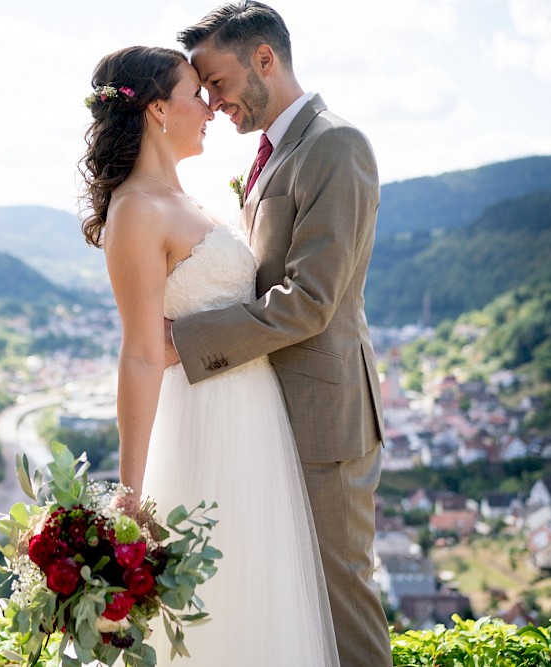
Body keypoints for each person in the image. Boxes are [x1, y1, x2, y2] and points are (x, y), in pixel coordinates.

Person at [80, 46, 339, 665]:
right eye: (197, 94)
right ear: (157, 111)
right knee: (218, 610)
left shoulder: (188, 203)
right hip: (204, 423)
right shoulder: (137, 211)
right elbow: (142, 355)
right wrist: (130, 491)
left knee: (262, 595)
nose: (211, 108)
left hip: (257, 420)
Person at [166, 3, 392, 666]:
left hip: (327, 421)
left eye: (218, 81)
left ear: (265, 58)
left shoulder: (335, 144)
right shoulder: (278, 152)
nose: (212, 101)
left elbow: (310, 302)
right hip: (274, 414)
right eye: (202, 89)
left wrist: (183, 335)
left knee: (340, 599)